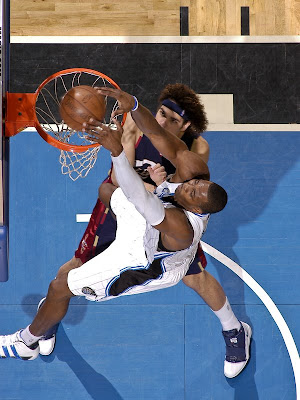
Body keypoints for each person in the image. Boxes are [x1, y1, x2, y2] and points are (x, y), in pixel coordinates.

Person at [0, 89, 251, 380]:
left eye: (192, 192)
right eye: (192, 183)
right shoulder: (193, 170)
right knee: (106, 191)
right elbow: (154, 135)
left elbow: (142, 201)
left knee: (60, 287)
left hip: (143, 258)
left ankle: (26, 341)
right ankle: (51, 314)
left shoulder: (182, 225)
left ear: (197, 205)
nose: (186, 186)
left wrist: (117, 151)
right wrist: (132, 104)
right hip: (147, 208)